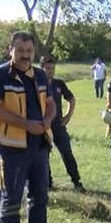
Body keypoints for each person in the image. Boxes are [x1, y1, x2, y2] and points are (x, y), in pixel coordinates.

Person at [0, 31, 58, 223]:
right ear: (10, 50)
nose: (26, 55)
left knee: (40, 196)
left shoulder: (39, 75)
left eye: (29, 51)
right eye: (20, 51)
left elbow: (50, 104)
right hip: (13, 147)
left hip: (39, 145)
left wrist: (46, 121)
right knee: (12, 196)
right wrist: (26, 124)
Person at [40, 57, 84, 192]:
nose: (50, 71)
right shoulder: (37, 84)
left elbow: (71, 99)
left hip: (58, 126)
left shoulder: (59, 84)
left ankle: (77, 182)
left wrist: (68, 116)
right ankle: (48, 184)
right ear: (42, 68)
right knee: (43, 158)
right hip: (43, 127)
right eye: (47, 68)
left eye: (52, 68)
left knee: (67, 154)